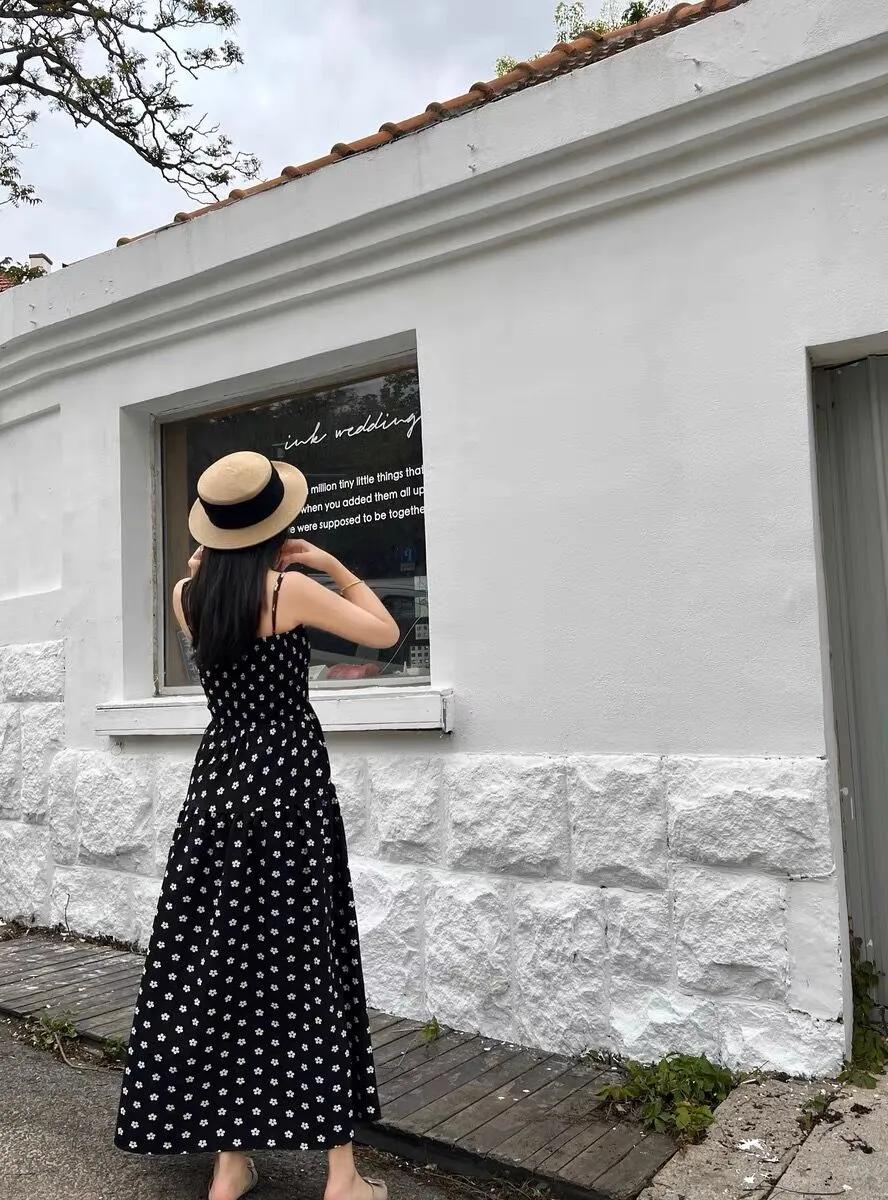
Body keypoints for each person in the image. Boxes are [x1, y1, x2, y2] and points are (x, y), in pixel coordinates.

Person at [114, 451, 401, 1200]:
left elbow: (210, 585)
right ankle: (342, 1174)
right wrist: (335, 565)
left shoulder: (187, 593)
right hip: (289, 786)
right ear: (276, 527)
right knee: (310, 962)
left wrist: (212, 563)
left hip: (218, 783)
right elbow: (384, 634)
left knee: (220, 962)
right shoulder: (293, 590)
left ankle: (230, 1160)